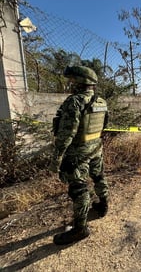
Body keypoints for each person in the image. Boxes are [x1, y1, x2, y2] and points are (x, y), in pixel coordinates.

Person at [50, 65, 109, 245]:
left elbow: (66, 133)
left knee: (78, 188)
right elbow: (104, 125)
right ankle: (103, 205)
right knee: (98, 176)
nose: (70, 84)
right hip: (96, 148)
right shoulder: (101, 101)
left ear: (79, 82)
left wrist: (57, 157)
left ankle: (80, 229)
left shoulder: (74, 102)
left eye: (72, 81)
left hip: (78, 153)